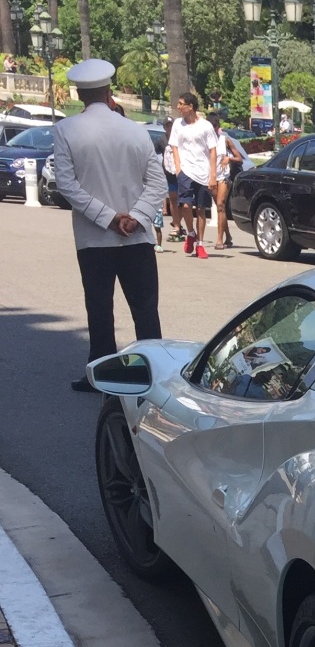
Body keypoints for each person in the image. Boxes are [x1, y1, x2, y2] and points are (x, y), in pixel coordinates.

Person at [50, 57, 167, 394]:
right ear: (109, 91)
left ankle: (100, 374)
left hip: (94, 237)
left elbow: (68, 186)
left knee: (99, 308)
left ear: (78, 93)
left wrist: (108, 218)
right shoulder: (136, 130)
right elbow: (157, 184)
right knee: (145, 308)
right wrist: (135, 216)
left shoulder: (65, 130)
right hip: (138, 235)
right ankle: (154, 372)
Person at [167, 92, 218, 259]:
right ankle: (190, 233)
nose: (178, 107)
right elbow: (174, 146)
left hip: (203, 172)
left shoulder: (205, 126)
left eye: (182, 104)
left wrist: (213, 176)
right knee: (186, 206)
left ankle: (201, 244)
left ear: (191, 107)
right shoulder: (177, 124)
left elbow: (212, 151)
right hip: (185, 171)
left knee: (201, 209)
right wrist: (178, 167)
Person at [208, 113, 246, 249]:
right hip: (211, 176)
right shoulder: (205, 141)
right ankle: (228, 236)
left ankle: (219, 239)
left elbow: (240, 158)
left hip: (224, 176)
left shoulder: (225, 140)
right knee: (221, 208)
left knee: (220, 205)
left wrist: (228, 159)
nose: (213, 130)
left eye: (215, 127)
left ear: (218, 127)